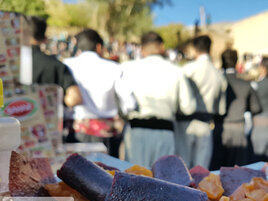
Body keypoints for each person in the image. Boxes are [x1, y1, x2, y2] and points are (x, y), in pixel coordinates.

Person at [117, 31, 196, 167]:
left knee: (136, 179)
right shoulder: (176, 71)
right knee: (162, 181)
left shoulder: (127, 68)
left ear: (142, 49)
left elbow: (121, 104)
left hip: (136, 132)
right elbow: (188, 107)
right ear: (162, 47)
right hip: (165, 132)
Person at [64, 29, 135, 157]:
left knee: (72, 174)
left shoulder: (66, 65)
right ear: (98, 47)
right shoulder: (114, 67)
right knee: (107, 174)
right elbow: (129, 103)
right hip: (106, 135)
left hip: (74, 132)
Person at [176, 35, 227, 169]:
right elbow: (221, 109)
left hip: (185, 124)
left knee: (182, 168)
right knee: (201, 170)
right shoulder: (218, 74)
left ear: (194, 49)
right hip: (205, 125)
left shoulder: (187, 69)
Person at [212, 49, 261, 168]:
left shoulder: (216, 81)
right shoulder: (245, 83)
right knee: (236, 171)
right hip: (238, 129)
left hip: (219, 128)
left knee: (215, 170)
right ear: (236, 62)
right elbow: (256, 108)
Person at [27, 16, 81, 108]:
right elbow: (75, 98)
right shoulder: (56, 66)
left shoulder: (6, 63)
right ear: (45, 39)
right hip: (45, 119)